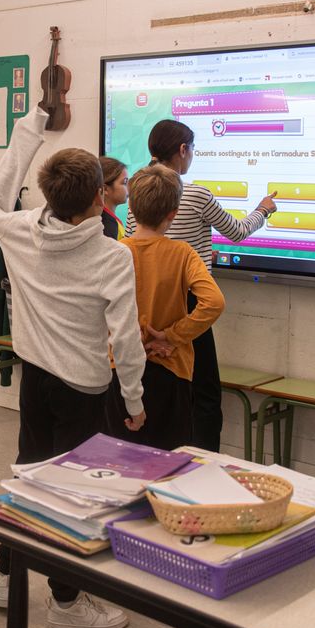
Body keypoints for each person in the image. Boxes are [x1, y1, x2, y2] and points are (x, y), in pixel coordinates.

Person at [0, 106, 146, 628]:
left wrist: (28, 131)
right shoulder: (112, 255)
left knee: (29, 476)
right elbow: (127, 339)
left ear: (47, 196)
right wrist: (135, 402)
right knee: (72, 495)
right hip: (84, 389)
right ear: (99, 197)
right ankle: (67, 603)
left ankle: (5, 576)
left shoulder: (20, 230)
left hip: (37, 382)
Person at [128, 120, 275, 451]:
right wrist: (262, 210)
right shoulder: (192, 193)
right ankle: (205, 461)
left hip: (144, 304)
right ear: (182, 150)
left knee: (150, 381)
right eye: (192, 149)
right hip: (189, 304)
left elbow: (134, 240)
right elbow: (236, 231)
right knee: (204, 391)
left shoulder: (137, 189)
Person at [112, 165, 225, 450]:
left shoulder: (116, 251)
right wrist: (173, 335)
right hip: (171, 370)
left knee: (119, 458)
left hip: (120, 370)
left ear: (133, 207)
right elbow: (214, 302)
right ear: (172, 214)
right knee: (169, 461)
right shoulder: (183, 253)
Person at [98, 156, 129, 239]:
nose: (129, 187)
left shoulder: (109, 220)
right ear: (105, 189)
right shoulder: (107, 226)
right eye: (124, 182)